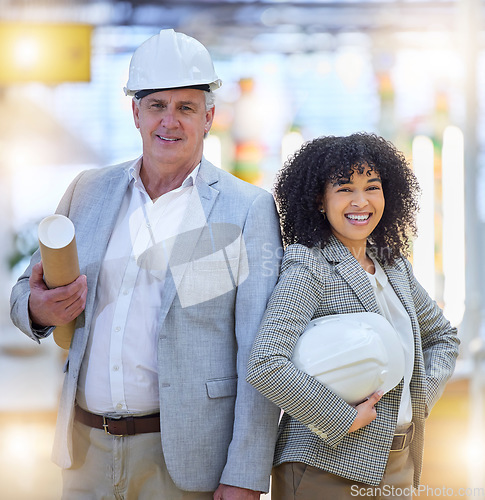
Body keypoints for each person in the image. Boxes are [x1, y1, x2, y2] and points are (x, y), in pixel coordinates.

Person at [10, 29, 282, 500]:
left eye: (186, 108)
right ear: (135, 112)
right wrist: (38, 309)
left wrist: (245, 474)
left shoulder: (245, 210)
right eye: (157, 105)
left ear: (209, 116)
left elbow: (258, 355)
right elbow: (23, 292)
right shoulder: (87, 191)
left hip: (185, 461)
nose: (169, 122)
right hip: (85, 452)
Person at [246, 133, 460, 499]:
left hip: (398, 463)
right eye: (345, 189)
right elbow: (266, 364)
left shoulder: (394, 267)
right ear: (319, 199)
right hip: (325, 467)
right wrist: (342, 418)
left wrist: (418, 396)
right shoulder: (308, 264)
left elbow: (444, 338)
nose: (361, 201)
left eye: (371, 187)